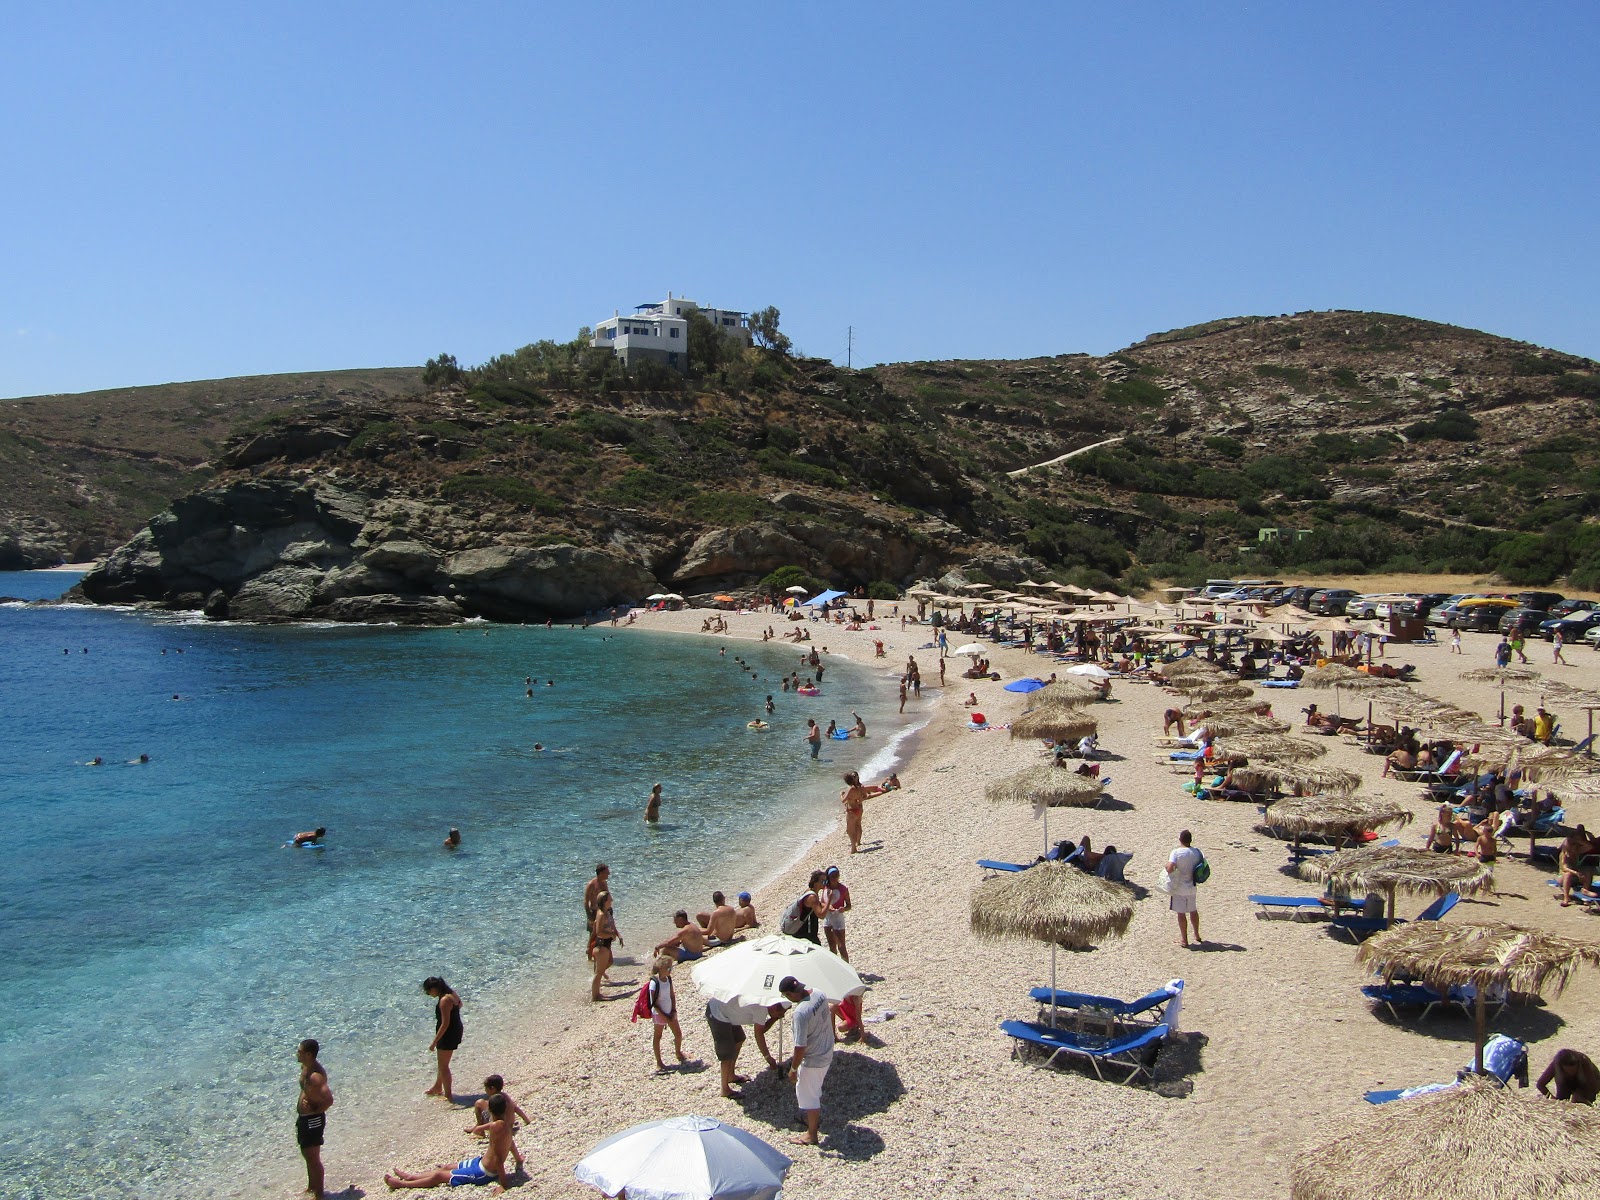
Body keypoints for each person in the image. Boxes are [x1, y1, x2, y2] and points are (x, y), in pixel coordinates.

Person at [383, 1092, 517, 1190]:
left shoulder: (496, 1127)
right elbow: (510, 1143)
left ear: (490, 1110)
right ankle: (411, 1176)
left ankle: (403, 1184)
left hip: (483, 1173)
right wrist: (518, 1159)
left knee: (439, 1176)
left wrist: (504, 1185)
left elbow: (499, 1159)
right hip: (480, 1162)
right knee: (446, 1168)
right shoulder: (506, 1126)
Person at [780, 976, 835, 1147]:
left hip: (814, 1059)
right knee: (815, 1088)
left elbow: (800, 1046)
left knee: (808, 1095)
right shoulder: (819, 994)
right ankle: (812, 1117)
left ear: (790, 993)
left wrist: (793, 1068)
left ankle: (811, 1134)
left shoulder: (800, 1013)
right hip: (827, 1050)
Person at [707, 997, 787, 1099]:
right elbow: (759, 1034)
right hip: (717, 1013)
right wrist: (768, 1058)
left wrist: (774, 1018)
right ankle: (724, 1089)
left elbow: (762, 1028)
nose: (783, 1016)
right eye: (781, 1013)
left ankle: (731, 1075)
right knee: (727, 1052)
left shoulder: (765, 1005)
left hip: (729, 1013)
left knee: (739, 1039)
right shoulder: (761, 1008)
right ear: (775, 1007)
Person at [296, 1039, 333, 1200]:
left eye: (299, 1051)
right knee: (306, 1154)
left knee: (313, 1157)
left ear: (308, 1054)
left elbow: (329, 1100)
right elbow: (308, 1090)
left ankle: (319, 1194)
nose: (296, 1053)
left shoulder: (316, 1076)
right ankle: (312, 1186)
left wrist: (316, 1109)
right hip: (305, 1119)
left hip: (313, 1120)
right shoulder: (305, 1068)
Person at [422, 977, 463, 1100]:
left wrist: (434, 1042)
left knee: (443, 1066)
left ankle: (449, 1095)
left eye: (428, 991)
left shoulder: (444, 1000)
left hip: (448, 1034)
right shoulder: (451, 994)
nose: (428, 994)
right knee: (442, 1064)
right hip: (456, 1030)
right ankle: (437, 1086)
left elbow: (444, 1024)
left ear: (434, 988)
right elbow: (460, 1004)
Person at [647, 955, 690, 1071]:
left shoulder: (668, 979)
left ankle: (678, 1052)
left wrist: (673, 1010)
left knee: (678, 1034)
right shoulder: (654, 983)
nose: (671, 970)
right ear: (661, 968)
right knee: (658, 1036)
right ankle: (659, 1062)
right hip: (659, 1014)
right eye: (669, 968)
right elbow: (654, 1003)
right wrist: (665, 1016)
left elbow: (672, 995)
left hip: (670, 1011)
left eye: (671, 968)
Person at [1165, 830, 1204, 948]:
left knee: (1181, 913)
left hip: (1179, 887)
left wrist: (1166, 866)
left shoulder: (1176, 852)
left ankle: (1184, 939)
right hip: (1192, 885)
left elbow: (1170, 868)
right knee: (1193, 910)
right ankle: (1197, 935)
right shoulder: (1197, 852)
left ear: (1180, 839)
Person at [471, 1075, 532, 1143]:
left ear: (492, 1088)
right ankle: (476, 1126)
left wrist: (479, 1128)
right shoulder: (505, 1096)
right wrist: (527, 1120)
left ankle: (481, 1133)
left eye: (486, 1088)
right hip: (509, 1126)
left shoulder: (495, 1101)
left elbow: (494, 1120)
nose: (485, 1091)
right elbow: (516, 1108)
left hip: (500, 1127)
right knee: (484, 1103)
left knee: (479, 1103)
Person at [591, 892, 622, 998]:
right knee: (598, 973)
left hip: (606, 944)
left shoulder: (607, 913)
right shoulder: (601, 914)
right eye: (610, 899)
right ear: (605, 901)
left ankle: (597, 993)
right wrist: (611, 934)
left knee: (605, 967)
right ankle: (595, 995)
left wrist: (618, 935)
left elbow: (612, 926)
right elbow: (599, 932)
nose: (612, 900)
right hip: (601, 945)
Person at [822, 866, 851, 962]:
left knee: (841, 946)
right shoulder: (825, 888)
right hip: (828, 918)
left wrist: (844, 909)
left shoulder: (843, 889)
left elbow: (849, 905)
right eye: (832, 876)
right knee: (832, 946)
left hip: (838, 918)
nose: (834, 878)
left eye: (836, 875)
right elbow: (821, 902)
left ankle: (847, 968)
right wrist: (827, 906)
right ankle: (835, 968)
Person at [584, 864, 611, 960]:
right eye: (607, 872)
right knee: (592, 935)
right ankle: (589, 957)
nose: (609, 874)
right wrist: (589, 916)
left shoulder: (604, 883)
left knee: (603, 934)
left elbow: (606, 897)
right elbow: (586, 902)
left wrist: (609, 911)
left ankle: (601, 956)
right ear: (601, 873)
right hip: (594, 912)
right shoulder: (591, 884)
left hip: (604, 911)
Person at [840, 772, 870, 854]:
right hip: (858, 809)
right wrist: (858, 800)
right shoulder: (858, 788)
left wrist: (841, 795)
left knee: (850, 830)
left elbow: (843, 800)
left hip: (851, 810)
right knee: (858, 825)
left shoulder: (851, 789)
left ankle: (853, 848)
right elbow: (863, 797)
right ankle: (858, 842)